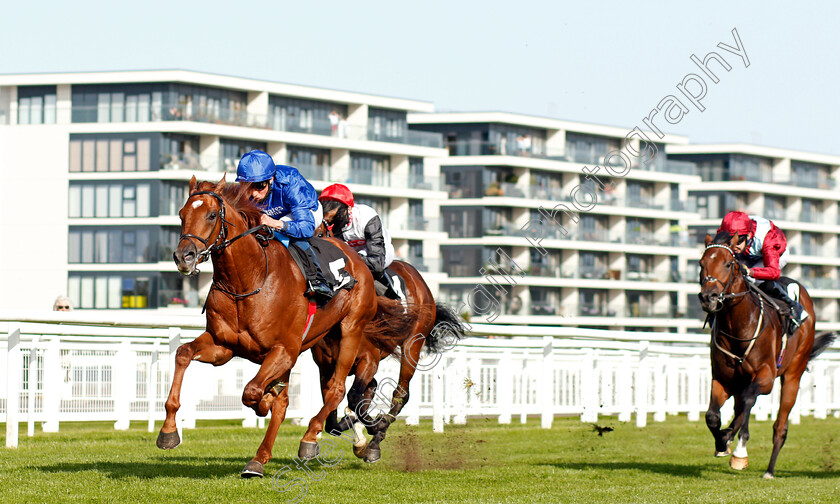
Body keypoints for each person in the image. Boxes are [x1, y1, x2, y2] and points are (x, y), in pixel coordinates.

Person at [236, 150, 333, 299]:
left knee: (287, 234)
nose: (254, 194)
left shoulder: (290, 183)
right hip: (272, 216)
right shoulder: (243, 193)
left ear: (271, 180)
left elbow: (306, 228)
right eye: (248, 187)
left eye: (259, 186)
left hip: (307, 213)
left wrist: (277, 223)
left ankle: (317, 280)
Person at [715, 211, 808, 333]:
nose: (733, 246)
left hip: (774, 255)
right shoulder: (725, 233)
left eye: (738, 242)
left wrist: (750, 271)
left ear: (747, 236)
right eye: (730, 242)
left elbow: (774, 272)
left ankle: (794, 306)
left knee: (752, 280)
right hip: (748, 254)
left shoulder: (767, 238)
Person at [318, 184, 402, 301]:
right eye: (328, 217)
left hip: (378, 252)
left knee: (373, 272)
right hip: (353, 255)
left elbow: (376, 263)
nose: (332, 221)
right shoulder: (328, 225)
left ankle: (397, 299)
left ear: (349, 209)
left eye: (334, 215)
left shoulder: (366, 216)